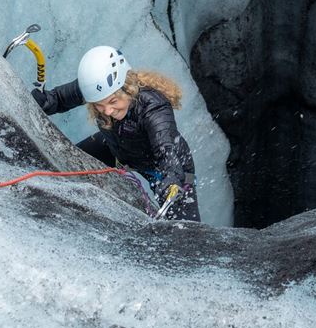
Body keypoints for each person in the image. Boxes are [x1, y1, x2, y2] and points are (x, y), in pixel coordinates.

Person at [32, 46, 200, 221]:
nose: (108, 111)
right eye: (99, 105)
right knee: (64, 162)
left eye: (113, 101)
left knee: (185, 227)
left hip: (164, 167)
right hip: (116, 148)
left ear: (127, 88)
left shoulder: (153, 106)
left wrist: (171, 177)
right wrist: (46, 102)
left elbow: (165, 146)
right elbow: (60, 98)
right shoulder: (96, 88)